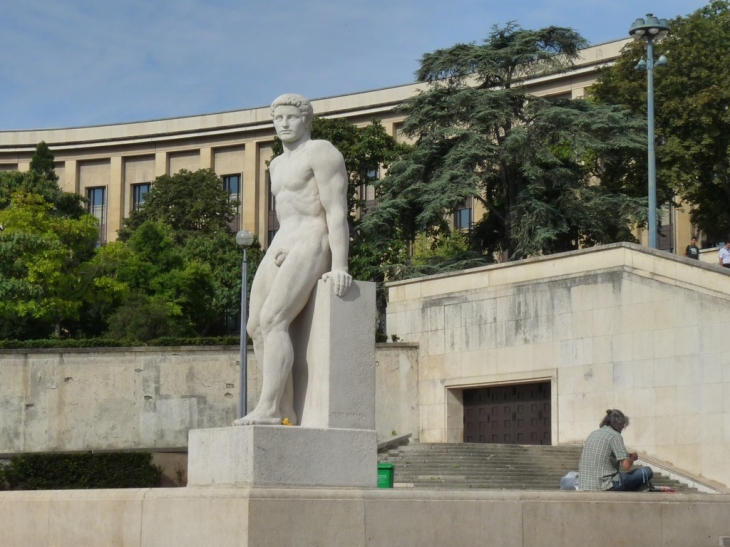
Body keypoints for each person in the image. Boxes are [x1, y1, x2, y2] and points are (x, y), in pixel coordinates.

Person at [233, 94, 351, 426]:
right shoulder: (277, 164)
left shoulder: (322, 152)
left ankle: (268, 407)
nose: (284, 123)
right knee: (255, 326)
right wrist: (281, 248)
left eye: (291, 117)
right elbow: (285, 216)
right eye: (278, 118)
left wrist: (340, 265)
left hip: (314, 237)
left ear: (306, 120)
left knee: (273, 319)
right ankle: (283, 409)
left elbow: (336, 211)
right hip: (283, 240)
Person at [578, 409, 653, 491]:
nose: (622, 430)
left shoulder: (593, 434)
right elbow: (626, 465)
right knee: (646, 471)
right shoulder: (615, 436)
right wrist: (633, 457)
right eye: (623, 426)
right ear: (619, 424)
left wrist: (627, 455)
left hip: (585, 485)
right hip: (606, 485)